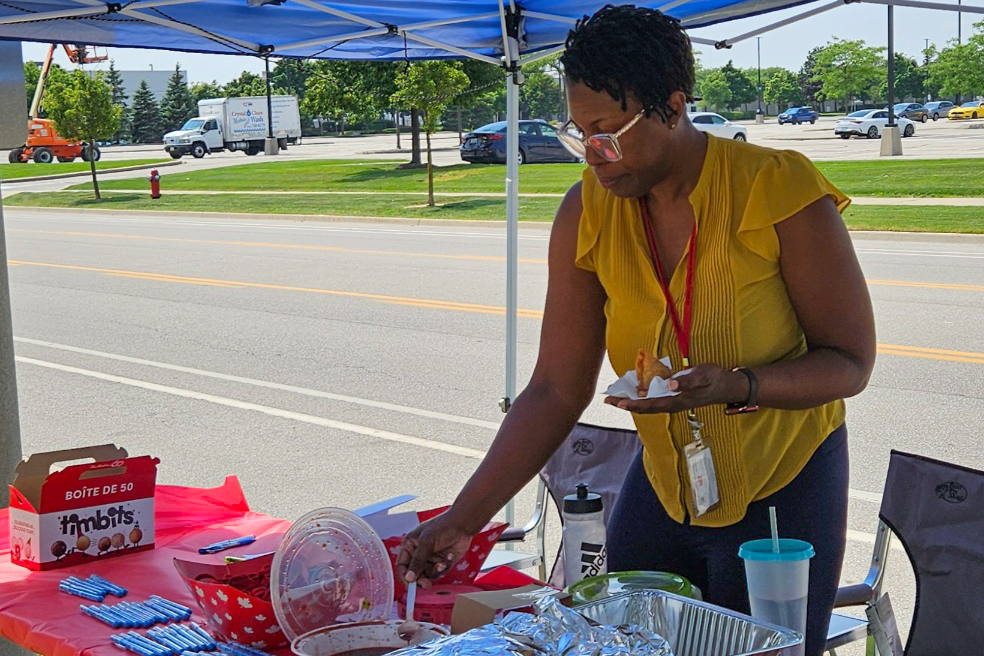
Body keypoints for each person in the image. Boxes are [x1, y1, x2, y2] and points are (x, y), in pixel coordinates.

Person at [397, 6, 875, 655]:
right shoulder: (587, 211)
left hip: (781, 491)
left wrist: (738, 385)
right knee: (617, 643)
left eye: (608, 133)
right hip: (664, 485)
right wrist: (464, 519)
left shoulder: (777, 188)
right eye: (580, 134)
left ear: (672, 107)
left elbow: (850, 362)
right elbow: (555, 388)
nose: (594, 156)